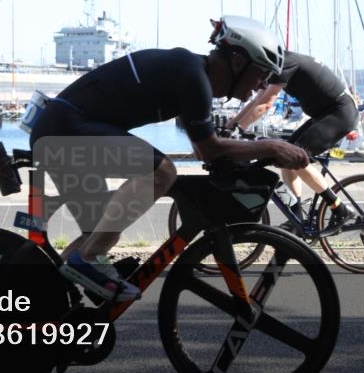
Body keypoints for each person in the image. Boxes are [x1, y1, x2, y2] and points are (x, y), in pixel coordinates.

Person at [29, 16, 309, 301]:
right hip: (65, 128)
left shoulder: (190, 72)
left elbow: (202, 149)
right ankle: (88, 260)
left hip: (57, 129)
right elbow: (209, 149)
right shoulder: (193, 76)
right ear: (238, 62)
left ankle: (44, 301)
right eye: (262, 73)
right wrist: (271, 147)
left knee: (100, 230)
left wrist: (247, 152)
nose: (262, 86)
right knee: (162, 172)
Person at [227, 49, 356, 224]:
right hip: (324, 114)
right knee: (286, 159)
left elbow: (266, 104)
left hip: (339, 114)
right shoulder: (276, 64)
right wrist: (231, 126)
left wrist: (238, 128)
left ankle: (339, 209)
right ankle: (296, 219)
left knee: (295, 157)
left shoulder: (285, 64)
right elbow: (257, 101)